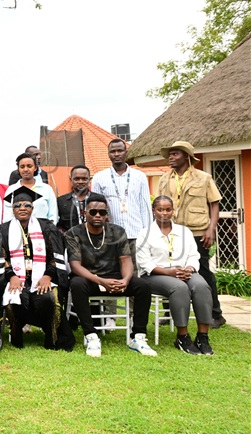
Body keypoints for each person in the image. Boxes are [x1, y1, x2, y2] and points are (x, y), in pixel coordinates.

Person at [65, 194, 156, 357]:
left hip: (114, 277)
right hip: (89, 278)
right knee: (77, 284)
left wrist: (125, 280)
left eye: (102, 212)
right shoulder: (74, 233)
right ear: (85, 213)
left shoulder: (117, 231)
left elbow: (126, 260)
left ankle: (138, 337)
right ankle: (91, 336)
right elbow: (75, 266)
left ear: (107, 214)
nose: (97, 215)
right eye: (93, 212)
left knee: (142, 286)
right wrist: (101, 281)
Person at [0, 187, 75, 350]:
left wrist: (48, 276)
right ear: (12, 210)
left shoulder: (47, 227)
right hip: (15, 278)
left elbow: (55, 256)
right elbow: (1, 258)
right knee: (13, 298)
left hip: (43, 278)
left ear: (33, 208)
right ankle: (16, 335)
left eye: (27, 205)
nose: (22, 208)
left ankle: (52, 338)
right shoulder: (2, 230)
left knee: (49, 298)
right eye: (17, 205)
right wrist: (11, 276)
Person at [158, 141, 225, 329]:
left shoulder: (204, 178)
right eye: (170, 154)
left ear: (186, 156)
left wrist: (211, 228)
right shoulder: (164, 179)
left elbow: (214, 204)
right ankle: (169, 312)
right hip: (172, 231)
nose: (171, 157)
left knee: (202, 271)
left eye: (175, 154)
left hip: (197, 231)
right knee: (169, 268)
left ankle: (215, 314)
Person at [136, 196, 214, 355]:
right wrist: (169, 272)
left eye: (168, 209)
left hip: (184, 271)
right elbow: (145, 263)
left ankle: (202, 337)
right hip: (154, 275)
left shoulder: (184, 231)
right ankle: (182, 337)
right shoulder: (145, 233)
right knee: (179, 288)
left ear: (173, 211)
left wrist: (189, 268)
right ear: (153, 210)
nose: (164, 213)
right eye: (160, 209)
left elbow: (194, 255)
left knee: (201, 286)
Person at [90, 138, 152, 246]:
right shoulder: (99, 178)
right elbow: (96, 209)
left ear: (126, 152)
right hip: (112, 236)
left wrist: (147, 234)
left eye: (120, 151)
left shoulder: (140, 176)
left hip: (137, 234)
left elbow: (145, 208)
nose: (116, 154)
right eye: (113, 151)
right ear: (108, 154)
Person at [4, 153, 58, 225]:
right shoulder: (11, 190)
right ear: (18, 169)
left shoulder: (46, 189)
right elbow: (7, 217)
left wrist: (48, 229)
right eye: (22, 167)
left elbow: (53, 215)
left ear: (35, 168)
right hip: (17, 231)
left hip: (43, 231)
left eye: (29, 166)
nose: (26, 169)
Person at [56, 165, 99, 233]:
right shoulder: (61, 201)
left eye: (84, 179)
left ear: (89, 180)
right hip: (70, 238)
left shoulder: (99, 200)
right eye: (77, 179)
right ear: (71, 180)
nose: (80, 181)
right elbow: (58, 225)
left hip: (94, 238)